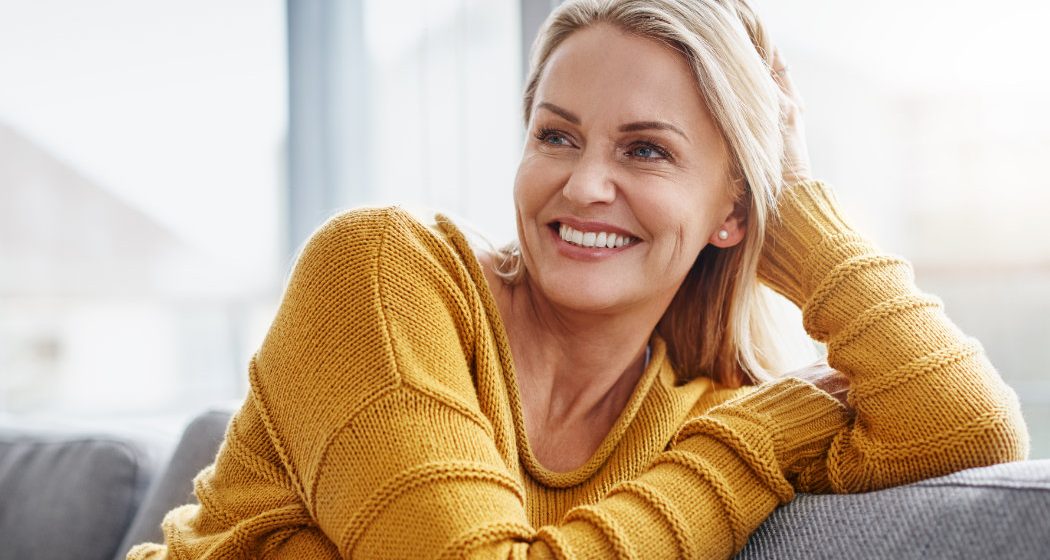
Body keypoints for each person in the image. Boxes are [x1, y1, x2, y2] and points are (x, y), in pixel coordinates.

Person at [129, 0, 1029, 558]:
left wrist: (792, 210)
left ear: (732, 213)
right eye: (557, 135)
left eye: (646, 149)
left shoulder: (701, 409)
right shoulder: (381, 274)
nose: (584, 183)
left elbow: (970, 424)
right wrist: (739, 456)